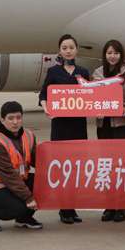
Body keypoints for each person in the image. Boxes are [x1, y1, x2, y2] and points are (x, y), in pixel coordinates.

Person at [39, 34, 90, 224]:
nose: (68, 51)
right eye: (64, 48)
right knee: (63, 168)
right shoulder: (53, 72)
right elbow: (44, 94)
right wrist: (46, 109)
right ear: (60, 51)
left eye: (71, 47)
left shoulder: (83, 71)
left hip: (78, 126)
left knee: (76, 168)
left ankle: (72, 208)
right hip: (60, 126)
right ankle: (64, 209)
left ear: (77, 50)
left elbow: (92, 96)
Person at [0, 101, 43, 232]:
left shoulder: (29, 135)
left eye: (18, 118)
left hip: (17, 180)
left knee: (44, 186)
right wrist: (29, 198)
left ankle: (23, 219)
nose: (15, 122)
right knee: (18, 208)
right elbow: (9, 176)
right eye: (10, 118)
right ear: (2, 120)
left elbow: (38, 161)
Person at [93, 39, 125, 222]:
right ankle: (109, 206)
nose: (112, 56)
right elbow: (92, 97)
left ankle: (121, 207)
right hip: (104, 125)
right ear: (105, 55)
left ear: (121, 54)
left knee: (122, 167)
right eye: (109, 53)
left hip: (123, 124)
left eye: (116, 53)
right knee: (107, 167)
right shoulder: (97, 73)